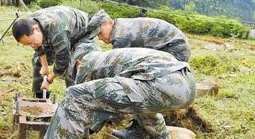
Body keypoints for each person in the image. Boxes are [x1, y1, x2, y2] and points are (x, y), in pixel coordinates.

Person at [45, 46, 196, 139]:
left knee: (74, 95)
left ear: (78, 63)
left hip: (163, 81)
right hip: (186, 84)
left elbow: (83, 102)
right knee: (140, 104)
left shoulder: (89, 65)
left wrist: (87, 129)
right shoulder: (110, 59)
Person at [12, 6, 95, 98]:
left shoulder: (56, 30)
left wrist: (48, 80)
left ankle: (75, 99)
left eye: (31, 42)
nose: (32, 46)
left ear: (36, 29)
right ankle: (40, 95)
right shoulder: (29, 24)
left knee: (72, 67)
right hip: (62, 32)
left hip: (82, 33)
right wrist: (44, 65)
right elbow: (38, 47)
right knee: (37, 60)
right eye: (28, 44)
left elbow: (62, 62)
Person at [87, 9, 191, 62]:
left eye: (99, 33)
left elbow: (115, 64)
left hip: (176, 50)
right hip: (176, 45)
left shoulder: (120, 37)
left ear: (109, 22)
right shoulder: (120, 24)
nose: (99, 38)